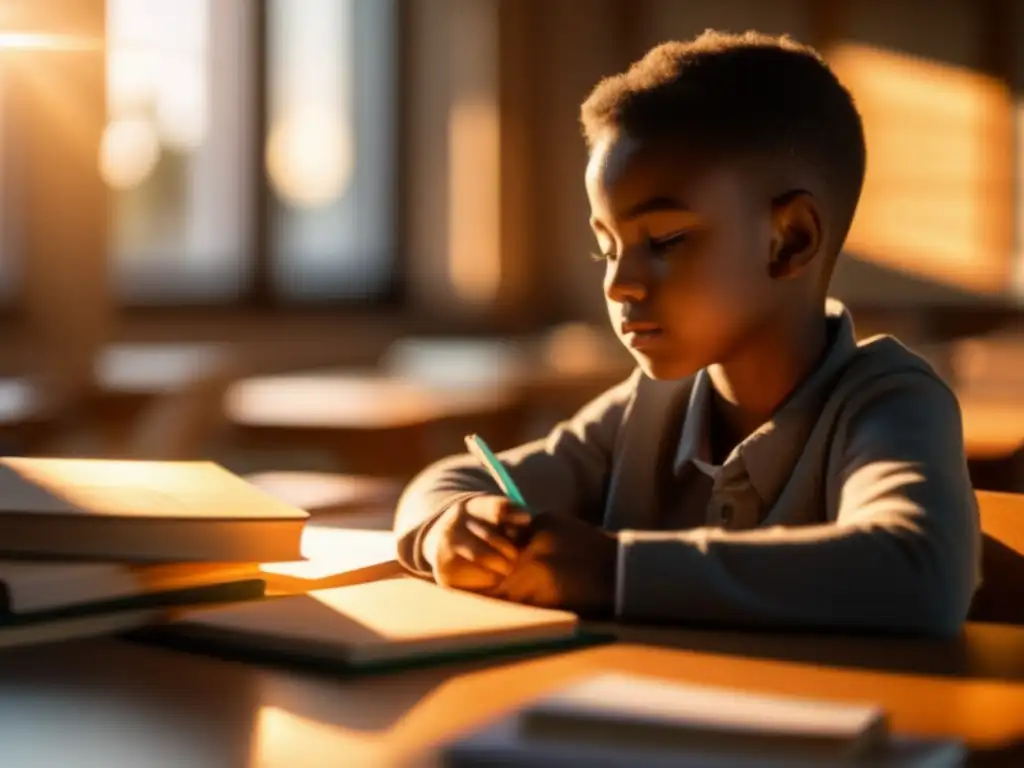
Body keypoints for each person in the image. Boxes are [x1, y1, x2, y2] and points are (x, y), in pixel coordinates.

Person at [393, 30, 980, 636]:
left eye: (665, 241)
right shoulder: (645, 411)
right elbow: (450, 480)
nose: (618, 284)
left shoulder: (889, 403)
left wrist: (611, 573)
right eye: (606, 248)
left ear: (790, 240)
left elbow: (915, 572)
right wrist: (452, 522)